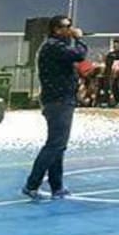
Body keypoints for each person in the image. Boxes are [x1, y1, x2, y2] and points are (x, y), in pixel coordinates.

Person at [23, 15, 87, 201]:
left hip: (61, 100)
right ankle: (32, 184)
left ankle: (56, 186)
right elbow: (79, 55)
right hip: (58, 101)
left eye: (71, 26)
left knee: (58, 146)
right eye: (66, 27)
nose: (70, 29)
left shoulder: (57, 46)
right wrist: (79, 39)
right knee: (55, 145)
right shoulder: (53, 46)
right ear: (56, 29)